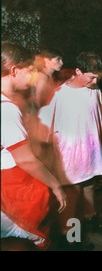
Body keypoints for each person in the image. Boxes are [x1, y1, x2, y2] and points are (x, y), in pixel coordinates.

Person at [38, 51, 102, 247]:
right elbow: (43, 126)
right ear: (78, 71)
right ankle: (70, 239)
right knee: (71, 198)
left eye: (97, 77)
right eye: (91, 77)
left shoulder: (94, 90)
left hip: (90, 153)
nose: (94, 81)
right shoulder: (59, 94)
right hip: (69, 157)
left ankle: (90, 219)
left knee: (89, 188)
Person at [1, 42, 66, 250]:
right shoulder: (6, 110)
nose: (32, 77)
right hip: (10, 196)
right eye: (29, 71)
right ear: (13, 70)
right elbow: (26, 159)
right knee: (32, 240)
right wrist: (55, 184)